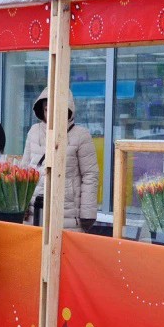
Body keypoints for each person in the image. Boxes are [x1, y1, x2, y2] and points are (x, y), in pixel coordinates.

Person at [22, 87, 99, 232]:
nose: (50, 113)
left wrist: (87, 213)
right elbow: (24, 171)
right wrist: (21, 203)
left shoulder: (81, 135)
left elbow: (90, 175)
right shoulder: (34, 131)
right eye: (46, 109)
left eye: (56, 108)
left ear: (67, 109)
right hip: (34, 210)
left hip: (67, 211)